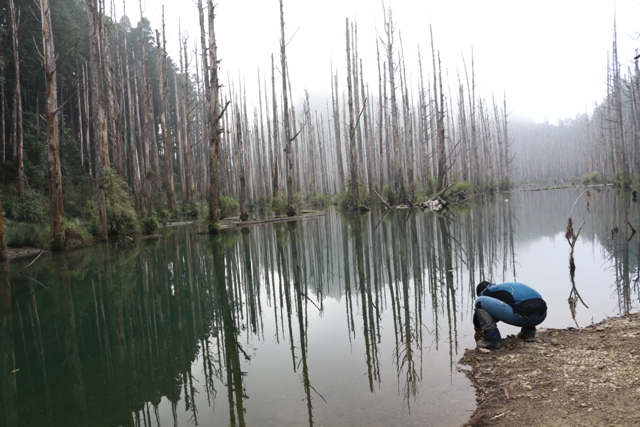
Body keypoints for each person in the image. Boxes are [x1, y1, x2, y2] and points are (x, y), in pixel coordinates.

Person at [473, 281, 547, 351]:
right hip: (542, 315)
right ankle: (528, 333)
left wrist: (477, 327)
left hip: (523, 316)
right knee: (519, 303)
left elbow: (479, 311)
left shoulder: (487, 291)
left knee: (479, 301)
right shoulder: (504, 287)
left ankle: (493, 340)